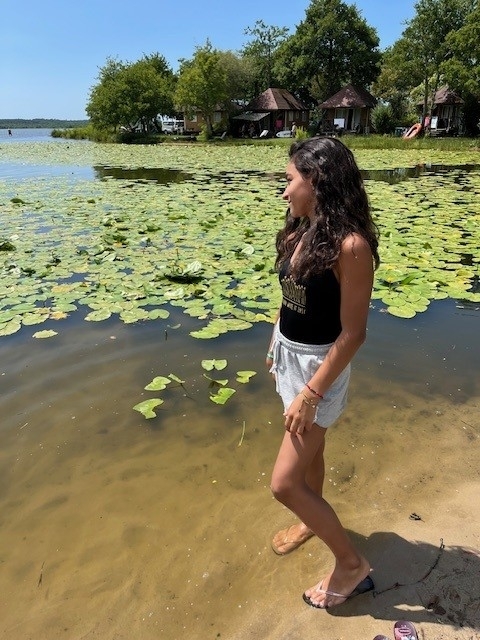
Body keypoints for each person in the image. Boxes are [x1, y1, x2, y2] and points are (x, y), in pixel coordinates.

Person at [266, 136, 380, 609]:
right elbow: (291, 295)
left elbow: (353, 334)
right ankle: (311, 520)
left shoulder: (350, 246)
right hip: (290, 357)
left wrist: (311, 393)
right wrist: (275, 337)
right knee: (313, 454)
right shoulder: (300, 229)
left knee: (283, 484)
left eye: (290, 180)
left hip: (320, 370)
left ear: (316, 180)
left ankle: (351, 565)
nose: (284, 191)